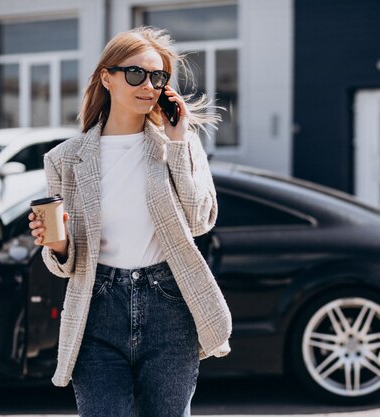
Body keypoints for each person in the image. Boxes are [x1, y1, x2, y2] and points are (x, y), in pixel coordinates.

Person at [27, 26, 232, 417]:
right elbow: (64, 264)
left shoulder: (178, 144)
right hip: (97, 307)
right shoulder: (65, 159)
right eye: (136, 74)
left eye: (158, 77)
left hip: (169, 304)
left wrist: (176, 142)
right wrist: (57, 245)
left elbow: (200, 219)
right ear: (107, 77)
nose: (149, 85)